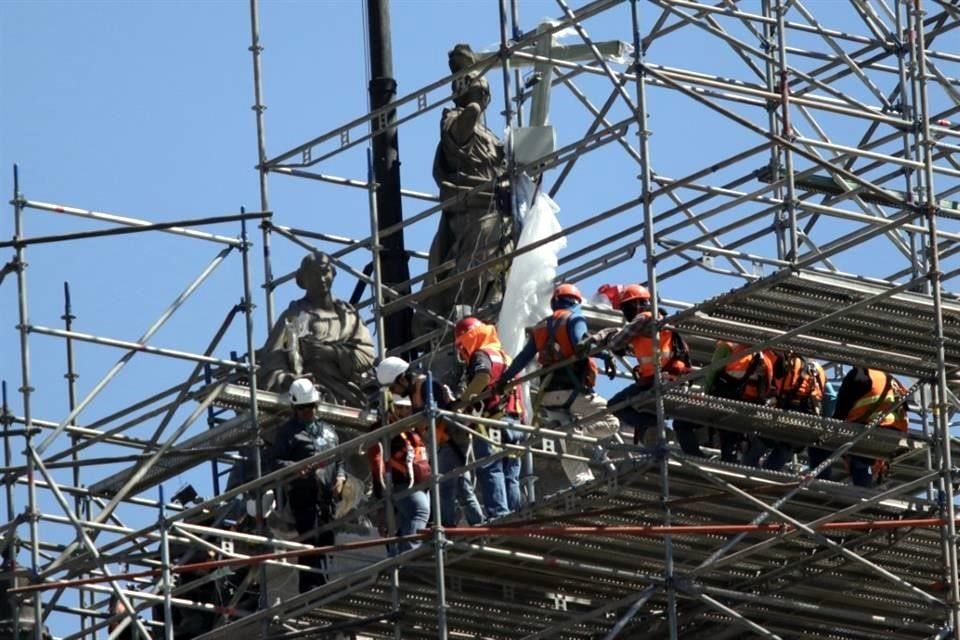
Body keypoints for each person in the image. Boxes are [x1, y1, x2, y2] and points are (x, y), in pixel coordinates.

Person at [421, 43, 513, 325]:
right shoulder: (453, 119)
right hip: (474, 211)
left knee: (502, 258)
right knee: (477, 264)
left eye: (484, 91)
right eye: (478, 89)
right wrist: (471, 99)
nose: (483, 95)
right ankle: (470, 314)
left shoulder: (491, 136)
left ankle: (494, 303)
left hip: (497, 207)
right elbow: (460, 134)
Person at [499, 283, 620, 486]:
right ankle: (578, 434)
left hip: (548, 395)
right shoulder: (575, 319)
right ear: (575, 301)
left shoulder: (540, 328)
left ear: (555, 302)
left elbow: (521, 359)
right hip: (574, 392)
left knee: (566, 442)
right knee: (611, 423)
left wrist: (503, 380)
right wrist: (606, 355)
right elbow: (582, 346)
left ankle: (582, 480)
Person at [375, 357, 484, 527]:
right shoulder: (415, 390)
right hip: (444, 440)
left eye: (393, 386)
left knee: (445, 486)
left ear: (402, 378)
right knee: (461, 487)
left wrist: (416, 422)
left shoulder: (427, 385)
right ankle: (477, 523)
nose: (394, 391)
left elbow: (437, 415)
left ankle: (447, 527)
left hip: (452, 438)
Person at [258, 252, 375, 407]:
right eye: (313, 275)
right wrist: (291, 380)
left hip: (353, 393)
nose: (320, 279)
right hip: (312, 395)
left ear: (333, 274)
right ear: (304, 280)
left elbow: (367, 355)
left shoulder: (349, 316)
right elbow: (272, 363)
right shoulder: (294, 317)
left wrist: (330, 353)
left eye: (324, 272)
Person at [270, 378, 345, 592]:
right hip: (303, 494)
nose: (307, 412)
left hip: (328, 496)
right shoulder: (287, 433)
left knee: (328, 539)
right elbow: (274, 461)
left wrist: (339, 477)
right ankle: (311, 587)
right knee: (309, 539)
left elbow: (338, 458)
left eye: (310, 407)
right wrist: (294, 467)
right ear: (295, 408)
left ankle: (327, 584)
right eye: (303, 408)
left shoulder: (328, 431)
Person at [453, 317, 526, 518]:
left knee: (491, 468)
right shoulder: (505, 356)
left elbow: (482, 376)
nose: (461, 351)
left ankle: (500, 514)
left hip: (491, 423)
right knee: (511, 472)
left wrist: (463, 402)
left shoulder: (481, 354)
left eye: (461, 345)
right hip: (515, 422)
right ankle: (515, 514)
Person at [604, 284, 692, 447]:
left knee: (615, 405)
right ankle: (654, 428)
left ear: (639, 303)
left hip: (659, 380)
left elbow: (616, 343)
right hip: (670, 379)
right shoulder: (659, 321)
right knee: (645, 408)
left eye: (628, 307)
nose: (627, 311)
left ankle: (651, 426)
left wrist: (609, 337)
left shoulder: (644, 317)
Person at [808, 367, 908, 487]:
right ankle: (863, 493)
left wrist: (828, 435)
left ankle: (820, 486)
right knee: (858, 455)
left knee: (817, 442)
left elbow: (840, 414)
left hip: (870, 436)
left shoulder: (860, 374)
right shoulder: (893, 381)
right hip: (893, 441)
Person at [368, 394, 431, 554]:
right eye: (400, 407)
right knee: (420, 511)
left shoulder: (412, 429)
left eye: (407, 408)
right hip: (401, 484)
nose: (404, 411)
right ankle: (409, 554)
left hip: (420, 484)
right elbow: (377, 464)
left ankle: (398, 559)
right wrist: (380, 499)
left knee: (405, 523)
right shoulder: (382, 429)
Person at [753, 351, 832, 471]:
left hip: (788, 413)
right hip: (809, 420)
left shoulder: (788, 363)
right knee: (787, 448)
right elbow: (828, 398)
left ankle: (750, 475)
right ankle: (763, 477)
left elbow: (773, 383)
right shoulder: (818, 369)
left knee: (760, 441)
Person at [704, 341, 776, 464]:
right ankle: (745, 462)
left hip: (729, 398)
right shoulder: (768, 354)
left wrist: (707, 394)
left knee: (728, 434)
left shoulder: (727, 347)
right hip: (753, 403)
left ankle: (730, 462)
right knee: (742, 436)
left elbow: (712, 373)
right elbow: (768, 384)